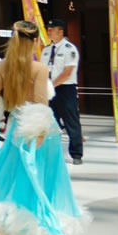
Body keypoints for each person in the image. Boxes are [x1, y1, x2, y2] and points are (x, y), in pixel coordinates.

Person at [0, 20, 86, 235]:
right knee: (44, 180)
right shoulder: (38, 68)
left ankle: (2, 229)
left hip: (14, 127)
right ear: (35, 40)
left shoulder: (2, 66)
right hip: (40, 130)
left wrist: (6, 106)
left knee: (10, 177)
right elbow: (41, 102)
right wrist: (39, 132)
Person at [43, 19, 82, 165]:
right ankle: (52, 153)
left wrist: (51, 85)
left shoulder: (69, 49)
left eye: (51, 29)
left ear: (60, 32)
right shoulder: (46, 50)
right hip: (49, 89)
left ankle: (76, 154)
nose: (48, 32)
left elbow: (68, 72)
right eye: (48, 29)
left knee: (71, 121)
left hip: (66, 89)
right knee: (50, 121)